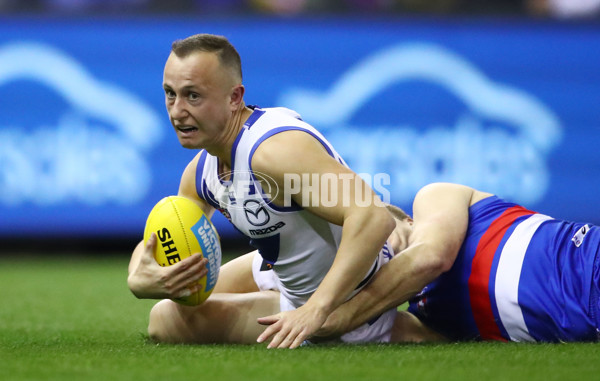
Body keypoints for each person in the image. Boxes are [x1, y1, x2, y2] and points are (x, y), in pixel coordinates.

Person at [126, 33, 398, 349]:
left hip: (345, 301)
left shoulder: (272, 152)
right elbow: (159, 238)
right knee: (184, 294)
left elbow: (373, 216)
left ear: (234, 97)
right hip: (286, 273)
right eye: (170, 94)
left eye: (193, 96)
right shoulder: (201, 172)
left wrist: (316, 310)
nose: (176, 111)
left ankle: (381, 326)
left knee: (164, 319)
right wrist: (139, 277)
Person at [311, 182, 600, 343]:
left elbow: (431, 257)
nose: (373, 250)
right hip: (586, 326)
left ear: (407, 220)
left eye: (378, 236)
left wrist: (342, 315)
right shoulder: (425, 318)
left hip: (589, 261)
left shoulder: (434, 197)